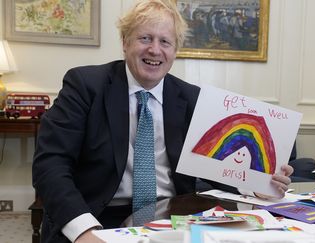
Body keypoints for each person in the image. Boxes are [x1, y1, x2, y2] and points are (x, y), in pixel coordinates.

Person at [32, 0, 293, 242]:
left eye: (165, 41)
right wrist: (83, 230)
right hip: (98, 216)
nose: (154, 50)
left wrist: (257, 184)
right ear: (125, 42)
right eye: (145, 38)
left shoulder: (191, 97)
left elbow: (213, 165)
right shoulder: (85, 85)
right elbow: (50, 165)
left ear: (175, 50)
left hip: (174, 217)